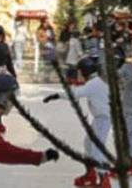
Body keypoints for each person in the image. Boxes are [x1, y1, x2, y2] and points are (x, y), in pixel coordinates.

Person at [45, 56, 111, 187]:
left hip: (104, 119)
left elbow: (76, 93)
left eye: (79, 72)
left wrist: (58, 95)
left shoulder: (95, 83)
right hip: (100, 119)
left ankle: (105, 180)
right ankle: (91, 174)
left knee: (97, 150)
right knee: (88, 144)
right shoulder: (95, 81)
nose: (78, 75)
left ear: (85, 71)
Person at [114, 47, 132, 175]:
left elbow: (123, 83)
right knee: (129, 134)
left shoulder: (127, 69)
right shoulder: (124, 68)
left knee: (130, 135)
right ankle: (130, 160)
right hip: (128, 106)